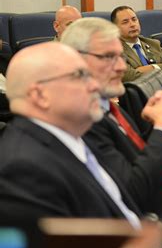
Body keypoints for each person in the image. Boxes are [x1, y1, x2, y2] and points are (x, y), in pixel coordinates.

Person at [61, 17, 162, 248]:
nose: (122, 67)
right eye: (108, 57)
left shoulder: (105, 106)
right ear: (76, 62)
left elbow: (135, 157)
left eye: (120, 57)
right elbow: (133, 190)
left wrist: (152, 127)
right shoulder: (82, 122)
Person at [0, 43, 143, 227]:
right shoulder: (23, 169)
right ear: (40, 95)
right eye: (80, 76)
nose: (95, 85)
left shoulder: (73, 135)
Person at [111, 5, 162, 83]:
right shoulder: (114, 50)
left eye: (134, 19)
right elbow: (130, 77)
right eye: (125, 22)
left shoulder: (153, 44)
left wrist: (153, 67)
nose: (132, 24)